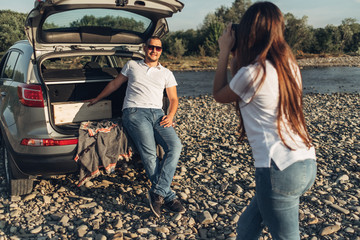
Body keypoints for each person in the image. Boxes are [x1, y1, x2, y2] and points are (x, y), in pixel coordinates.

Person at [212, 2, 316, 240]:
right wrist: (237, 56)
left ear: (250, 32)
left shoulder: (253, 73)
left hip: (278, 169)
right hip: (305, 161)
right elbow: (241, 83)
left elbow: (219, 94)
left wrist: (224, 51)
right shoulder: (289, 66)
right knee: (248, 226)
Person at [88, 36, 185, 217]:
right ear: (144, 48)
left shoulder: (166, 73)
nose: (154, 50)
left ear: (161, 51)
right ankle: (168, 196)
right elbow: (115, 84)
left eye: (158, 48)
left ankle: (158, 192)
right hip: (134, 112)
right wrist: (97, 98)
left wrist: (170, 116)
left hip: (158, 114)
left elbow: (173, 99)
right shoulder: (132, 65)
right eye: (151, 47)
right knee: (149, 153)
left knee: (176, 146)